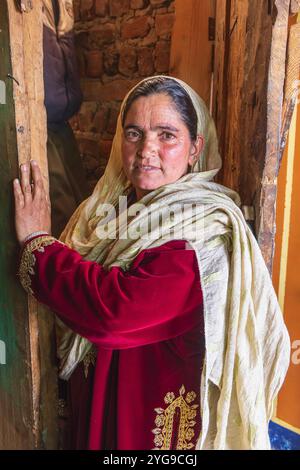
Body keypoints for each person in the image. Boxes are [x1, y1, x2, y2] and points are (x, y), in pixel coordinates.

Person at [14, 76, 290, 450]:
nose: (146, 149)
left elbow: (114, 312)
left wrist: (38, 245)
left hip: (146, 419)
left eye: (167, 135)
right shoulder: (105, 214)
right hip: (102, 406)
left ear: (195, 148)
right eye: (134, 133)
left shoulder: (203, 232)